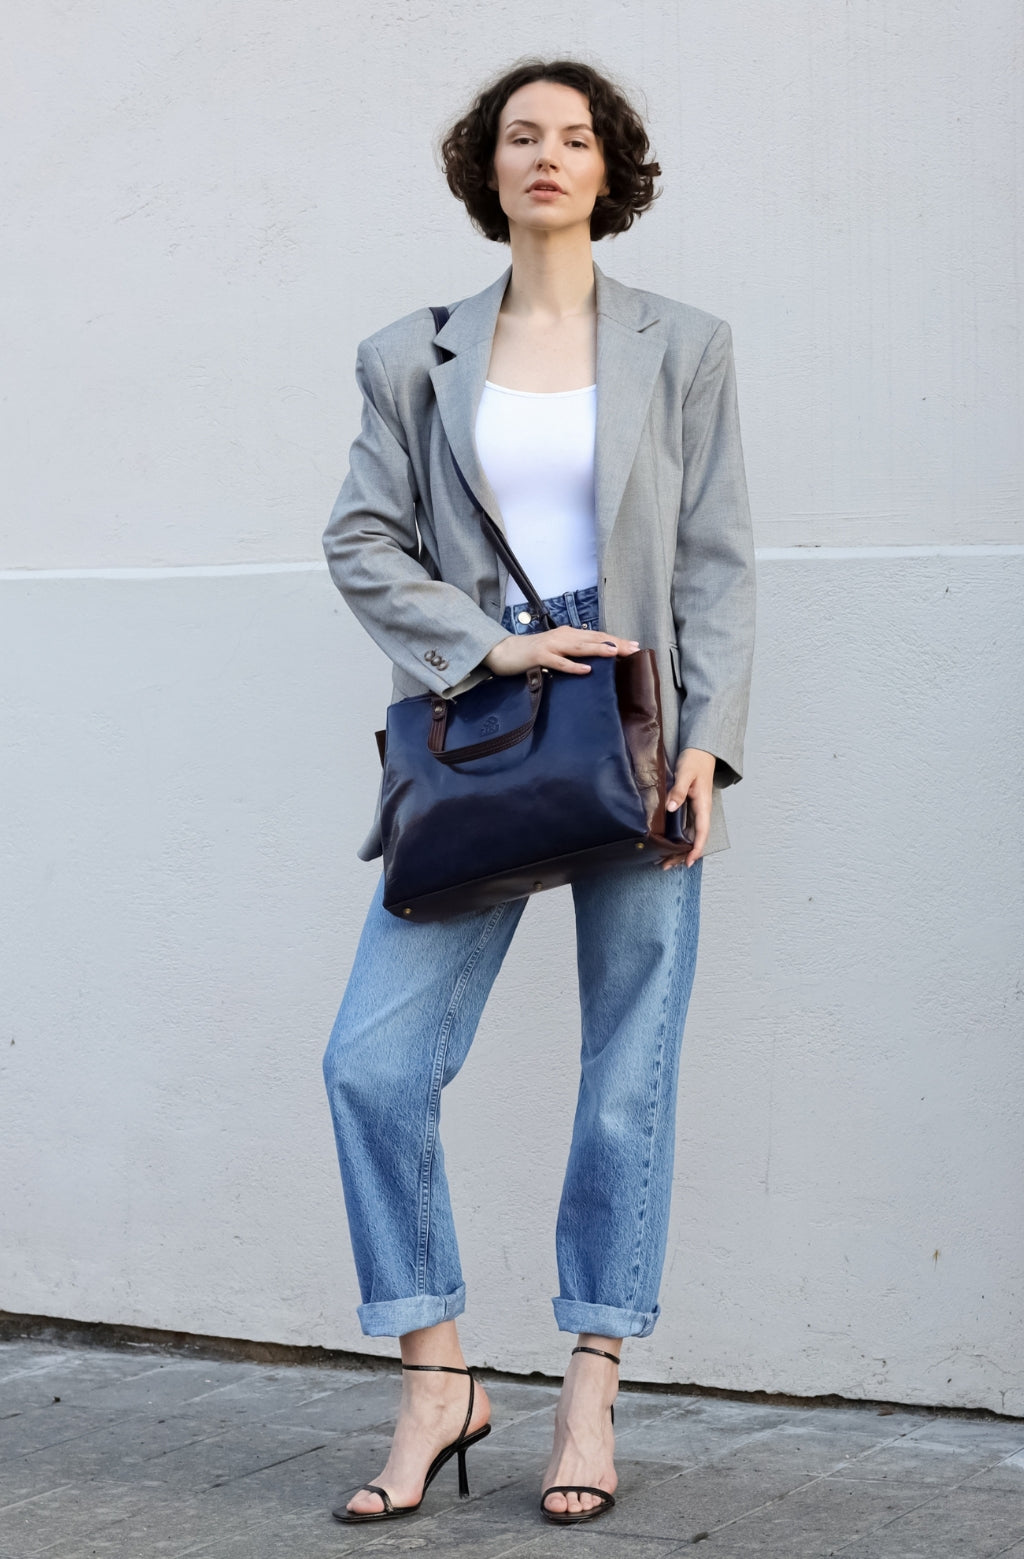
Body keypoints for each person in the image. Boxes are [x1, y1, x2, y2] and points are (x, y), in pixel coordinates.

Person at [320, 57, 755, 1527]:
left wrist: (707, 739)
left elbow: (716, 557)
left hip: (637, 730)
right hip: (487, 730)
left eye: (575, 137)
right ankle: (438, 1377)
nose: (548, 155)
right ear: (488, 168)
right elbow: (362, 540)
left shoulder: (684, 346)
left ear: (609, 168)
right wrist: (489, 646)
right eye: (522, 136)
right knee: (371, 1063)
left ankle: (590, 1383)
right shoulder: (411, 354)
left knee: (628, 1074)